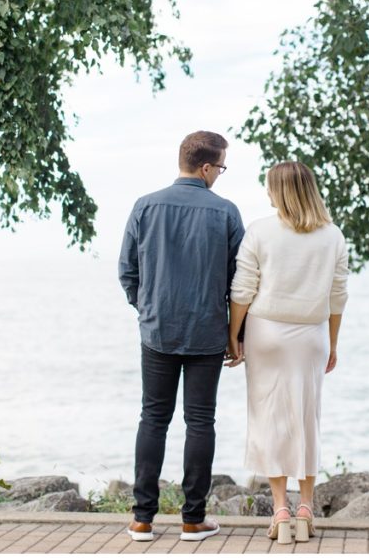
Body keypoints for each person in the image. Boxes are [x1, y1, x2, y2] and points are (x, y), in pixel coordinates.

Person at [118, 131, 244, 543]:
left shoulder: (145, 206)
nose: (220, 175)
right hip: (208, 332)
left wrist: (150, 309)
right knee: (200, 422)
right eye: (221, 167)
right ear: (206, 167)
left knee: (153, 419)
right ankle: (193, 519)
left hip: (157, 331)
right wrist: (234, 332)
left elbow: (127, 271)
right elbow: (239, 282)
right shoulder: (225, 212)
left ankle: (142, 519)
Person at [227, 161, 348, 545]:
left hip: (266, 333)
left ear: (278, 192)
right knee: (306, 417)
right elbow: (337, 295)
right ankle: (306, 509)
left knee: (269, 418)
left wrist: (234, 336)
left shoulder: (261, 231)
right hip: (310, 335)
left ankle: (281, 510)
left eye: (269, 187)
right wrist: (332, 342)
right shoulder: (332, 235)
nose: (266, 194)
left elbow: (242, 290)